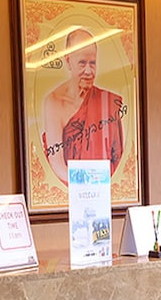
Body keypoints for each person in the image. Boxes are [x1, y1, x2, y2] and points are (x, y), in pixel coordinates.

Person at [42, 28, 125, 184]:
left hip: (104, 188)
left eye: (92, 63)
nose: (88, 71)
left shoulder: (107, 102)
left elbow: (117, 157)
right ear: (68, 61)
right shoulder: (54, 101)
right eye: (82, 63)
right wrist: (86, 186)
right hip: (71, 189)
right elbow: (57, 164)